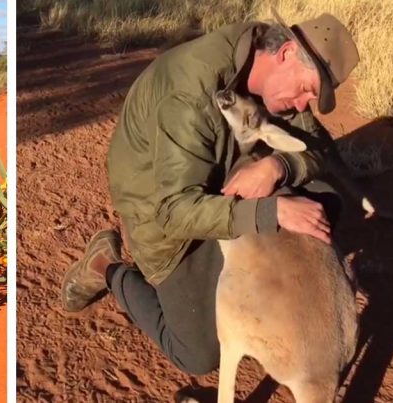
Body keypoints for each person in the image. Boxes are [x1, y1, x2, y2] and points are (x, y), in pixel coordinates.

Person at [60, 10, 360, 375]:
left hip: (218, 180)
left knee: (326, 199)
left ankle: (260, 289)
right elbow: (174, 212)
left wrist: (277, 167)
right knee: (198, 354)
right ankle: (106, 267)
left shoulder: (261, 59)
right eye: (305, 91)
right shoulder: (190, 96)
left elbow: (317, 147)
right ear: (286, 55)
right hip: (165, 219)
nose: (302, 105)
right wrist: (271, 212)